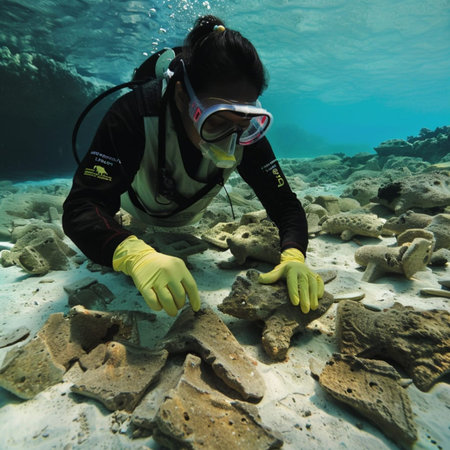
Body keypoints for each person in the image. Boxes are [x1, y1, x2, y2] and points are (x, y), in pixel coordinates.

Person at [63, 15, 324, 317]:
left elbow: (286, 205)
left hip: (186, 214)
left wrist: (293, 254)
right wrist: (132, 254)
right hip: (135, 206)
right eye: (215, 121)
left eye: (244, 122)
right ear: (180, 96)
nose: (230, 139)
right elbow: (83, 205)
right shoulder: (133, 115)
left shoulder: (242, 133)